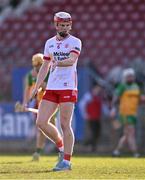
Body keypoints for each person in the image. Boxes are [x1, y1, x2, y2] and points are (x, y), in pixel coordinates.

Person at [29, 12, 82, 171]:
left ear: (70, 26)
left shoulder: (75, 41)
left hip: (68, 86)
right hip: (52, 87)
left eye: (67, 25)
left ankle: (66, 161)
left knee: (65, 124)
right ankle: (60, 146)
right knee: (41, 121)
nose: (65, 28)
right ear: (56, 25)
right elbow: (45, 66)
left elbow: (72, 60)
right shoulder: (49, 43)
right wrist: (37, 86)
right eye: (62, 25)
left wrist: (57, 61)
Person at [22, 53, 56, 161]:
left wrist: (41, 85)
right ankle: (38, 151)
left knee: (55, 127)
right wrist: (25, 103)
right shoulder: (30, 75)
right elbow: (27, 91)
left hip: (53, 102)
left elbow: (52, 89)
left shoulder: (50, 73)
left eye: (39, 65)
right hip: (41, 103)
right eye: (36, 65)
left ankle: (61, 150)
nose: (37, 68)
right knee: (41, 127)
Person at [110, 68, 144, 157]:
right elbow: (115, 98)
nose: (130, 78)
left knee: (126, 134)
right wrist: (113, 109)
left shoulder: (136, 86)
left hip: (133, 113)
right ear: (125, 77)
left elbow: (139, 100)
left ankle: (116, 151)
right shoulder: (122, 86)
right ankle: (135, 153)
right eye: (128, 76)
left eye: (131, 76)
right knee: (131, 133)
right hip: (125, 113)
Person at [79, 84, 102, 152]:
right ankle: (91, 147)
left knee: (97, 133)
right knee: (93, 133)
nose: (98, 90)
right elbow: (81, 104)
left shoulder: (99, 96)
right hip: (91, 118)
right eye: (97, 88)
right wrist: (85, 114)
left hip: (97, 117)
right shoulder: (88, 95)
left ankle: (89, 145)